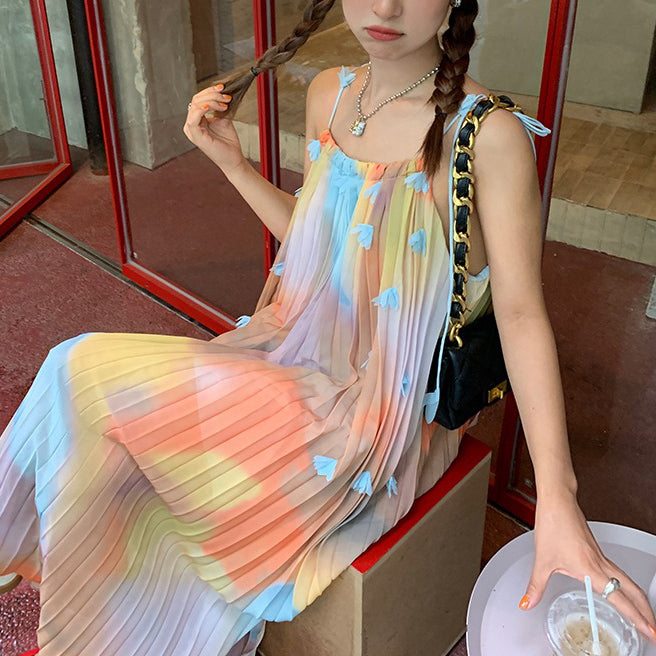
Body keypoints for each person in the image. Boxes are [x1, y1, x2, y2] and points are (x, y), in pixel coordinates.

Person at [1, 0, 655, 654]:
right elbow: (325, 243)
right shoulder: (330, 94)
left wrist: (558, 499)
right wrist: (233, 164)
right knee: (78, 381)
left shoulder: (486, 135)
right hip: (292, 352)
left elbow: (521, 314)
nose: (386, 6)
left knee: (84, 376)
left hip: (379, 415)